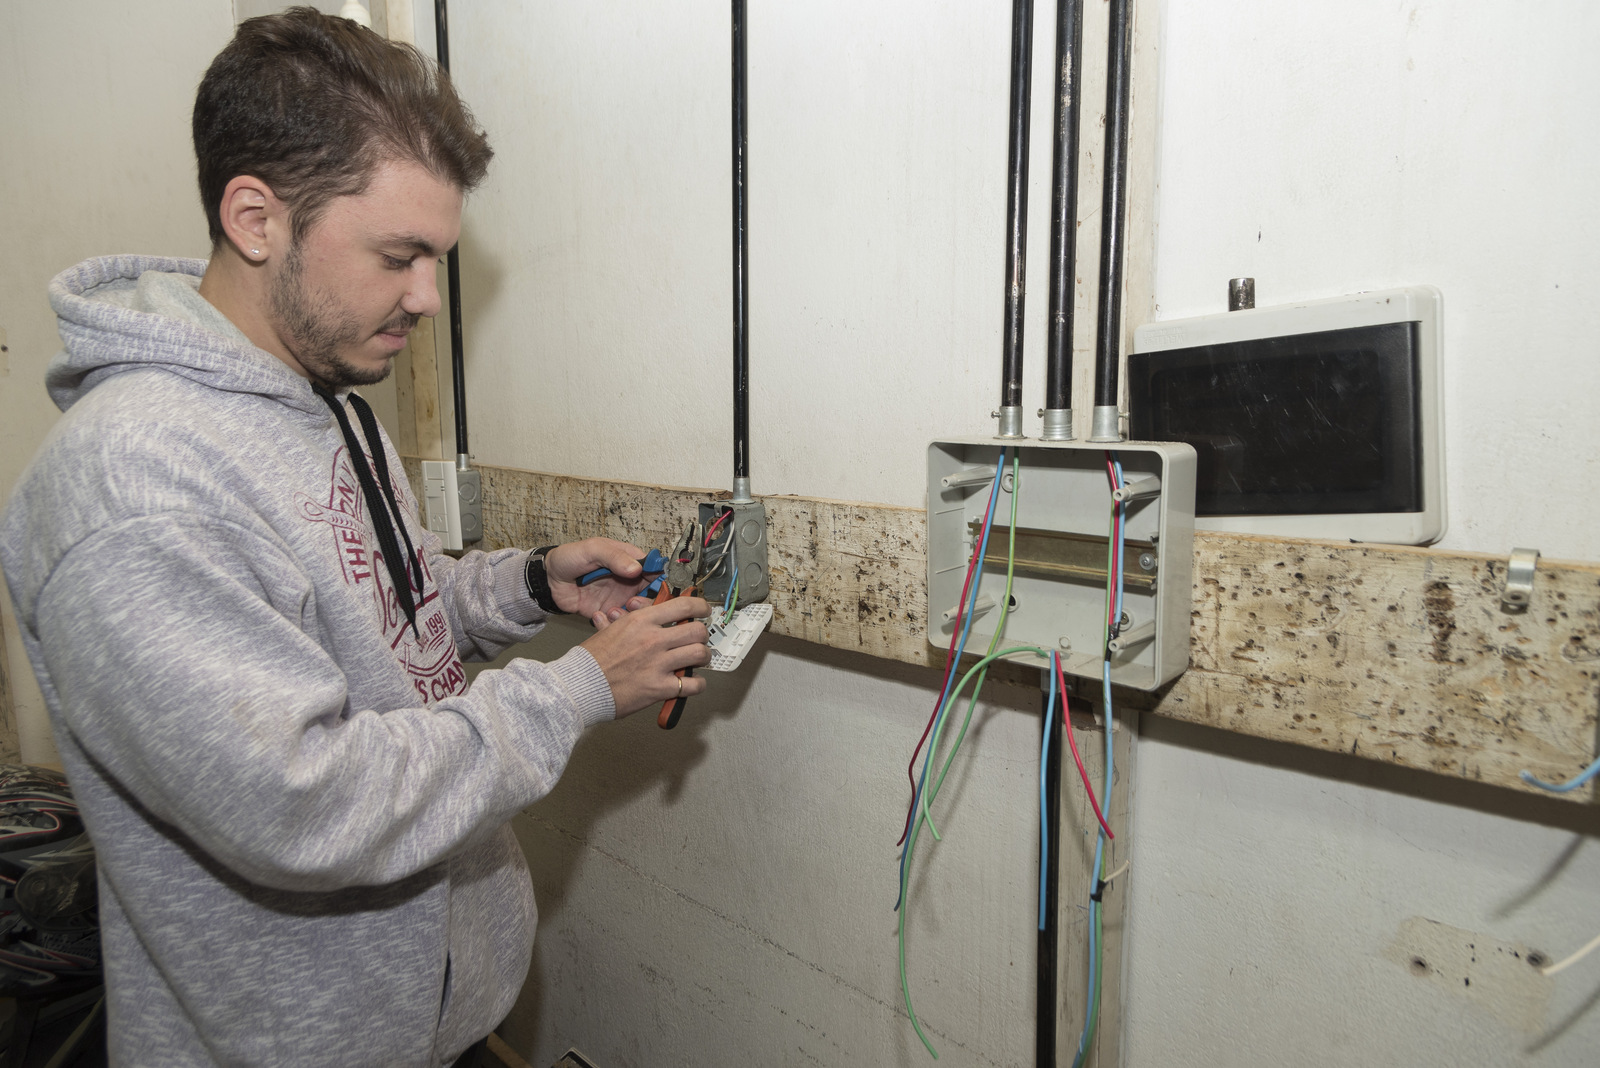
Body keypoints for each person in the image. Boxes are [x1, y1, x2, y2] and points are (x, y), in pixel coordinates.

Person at [0, 8, 710, 1066]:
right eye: (399, 255)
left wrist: (527, 587)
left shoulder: (329, 398)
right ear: (256, 218)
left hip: (435, 1018)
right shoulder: (135, 484)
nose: (426, 298)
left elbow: (387, 621)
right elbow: (307, 802)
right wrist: (579, 690)